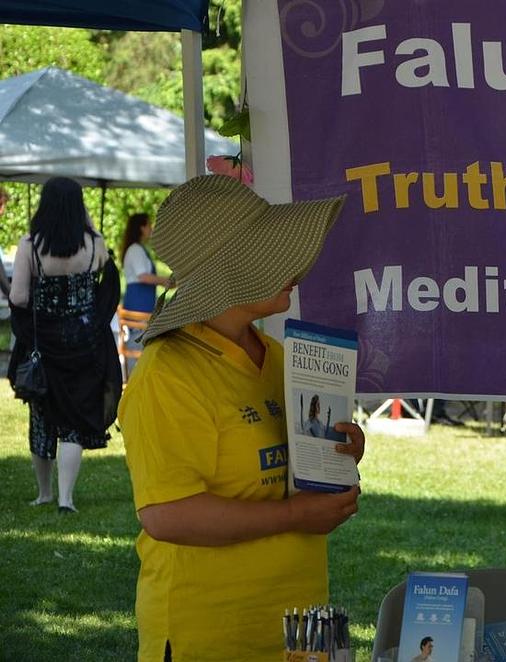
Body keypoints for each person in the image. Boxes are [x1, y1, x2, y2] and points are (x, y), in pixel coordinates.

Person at [118, 175, 361, 662]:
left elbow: (285, 473)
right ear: (231, 270)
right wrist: (295, 515)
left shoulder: (276, 356)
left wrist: (337, 454)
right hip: (208, 636)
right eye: (273, 251)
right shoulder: (170, 373)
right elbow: (166, 514)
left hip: (297, 631)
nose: (295, 265)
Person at [6, 177, 121, 514]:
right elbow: (105, 279)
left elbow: (19, 297)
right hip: (86, 341)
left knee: (42, 417)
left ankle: (44, 493)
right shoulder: (95, 243)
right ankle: (66, 499)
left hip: (43, 342)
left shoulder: (31, 244)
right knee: (75, 417)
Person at [120, 212, 173, 313]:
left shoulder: (139, 249)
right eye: (149, 224)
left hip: (142, 303)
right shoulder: (135, 249)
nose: (151, 228)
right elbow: (143, 276)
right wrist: (165, 280)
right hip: (138, 305)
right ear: (142, 228)